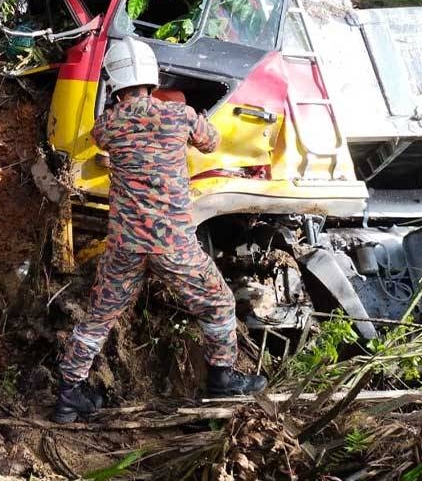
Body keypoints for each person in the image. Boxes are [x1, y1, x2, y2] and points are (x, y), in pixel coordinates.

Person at [53, 37, 266, 424]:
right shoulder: (180, 116)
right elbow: (211, 141)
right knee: (218, 304)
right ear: (152, 78)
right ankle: (221, 378)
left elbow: (103, 142)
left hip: (124, 246)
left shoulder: (108, 127)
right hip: (173, 244)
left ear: (113, 84)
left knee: (98, 318)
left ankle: (69, 396)